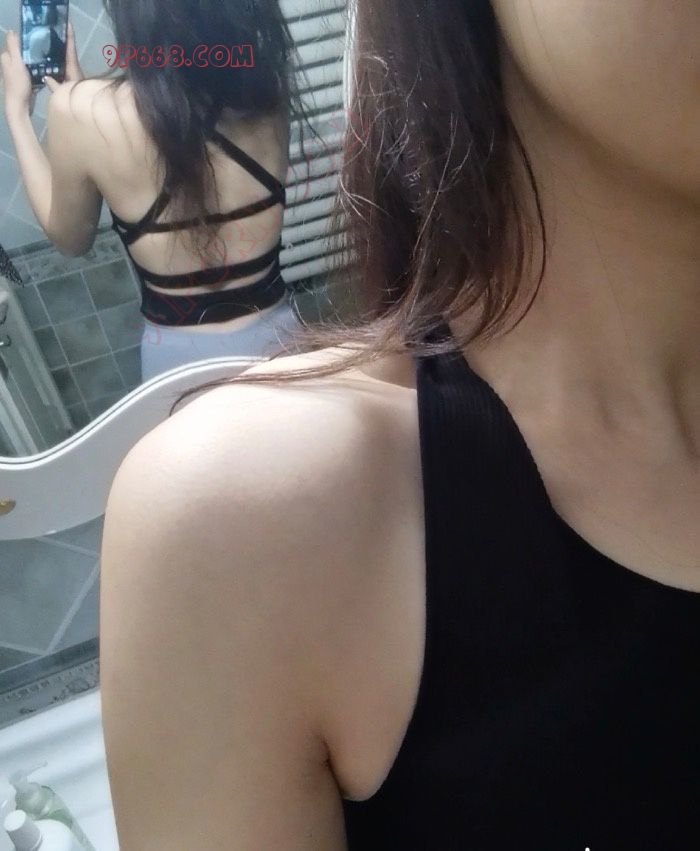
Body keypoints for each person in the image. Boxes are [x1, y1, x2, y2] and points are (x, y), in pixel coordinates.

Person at [99, 0, 699, 848]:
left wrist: (23, 106)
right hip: (274, 328)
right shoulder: (260, 109)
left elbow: (61, 223)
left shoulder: (92, 117)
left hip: (179, 342)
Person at [0, 0, 311, 383]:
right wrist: (81, 102)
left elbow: (71, 239)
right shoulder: (267, 87)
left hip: (178, 365)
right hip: (282, 345)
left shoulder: (82, 111)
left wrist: (18, 113)